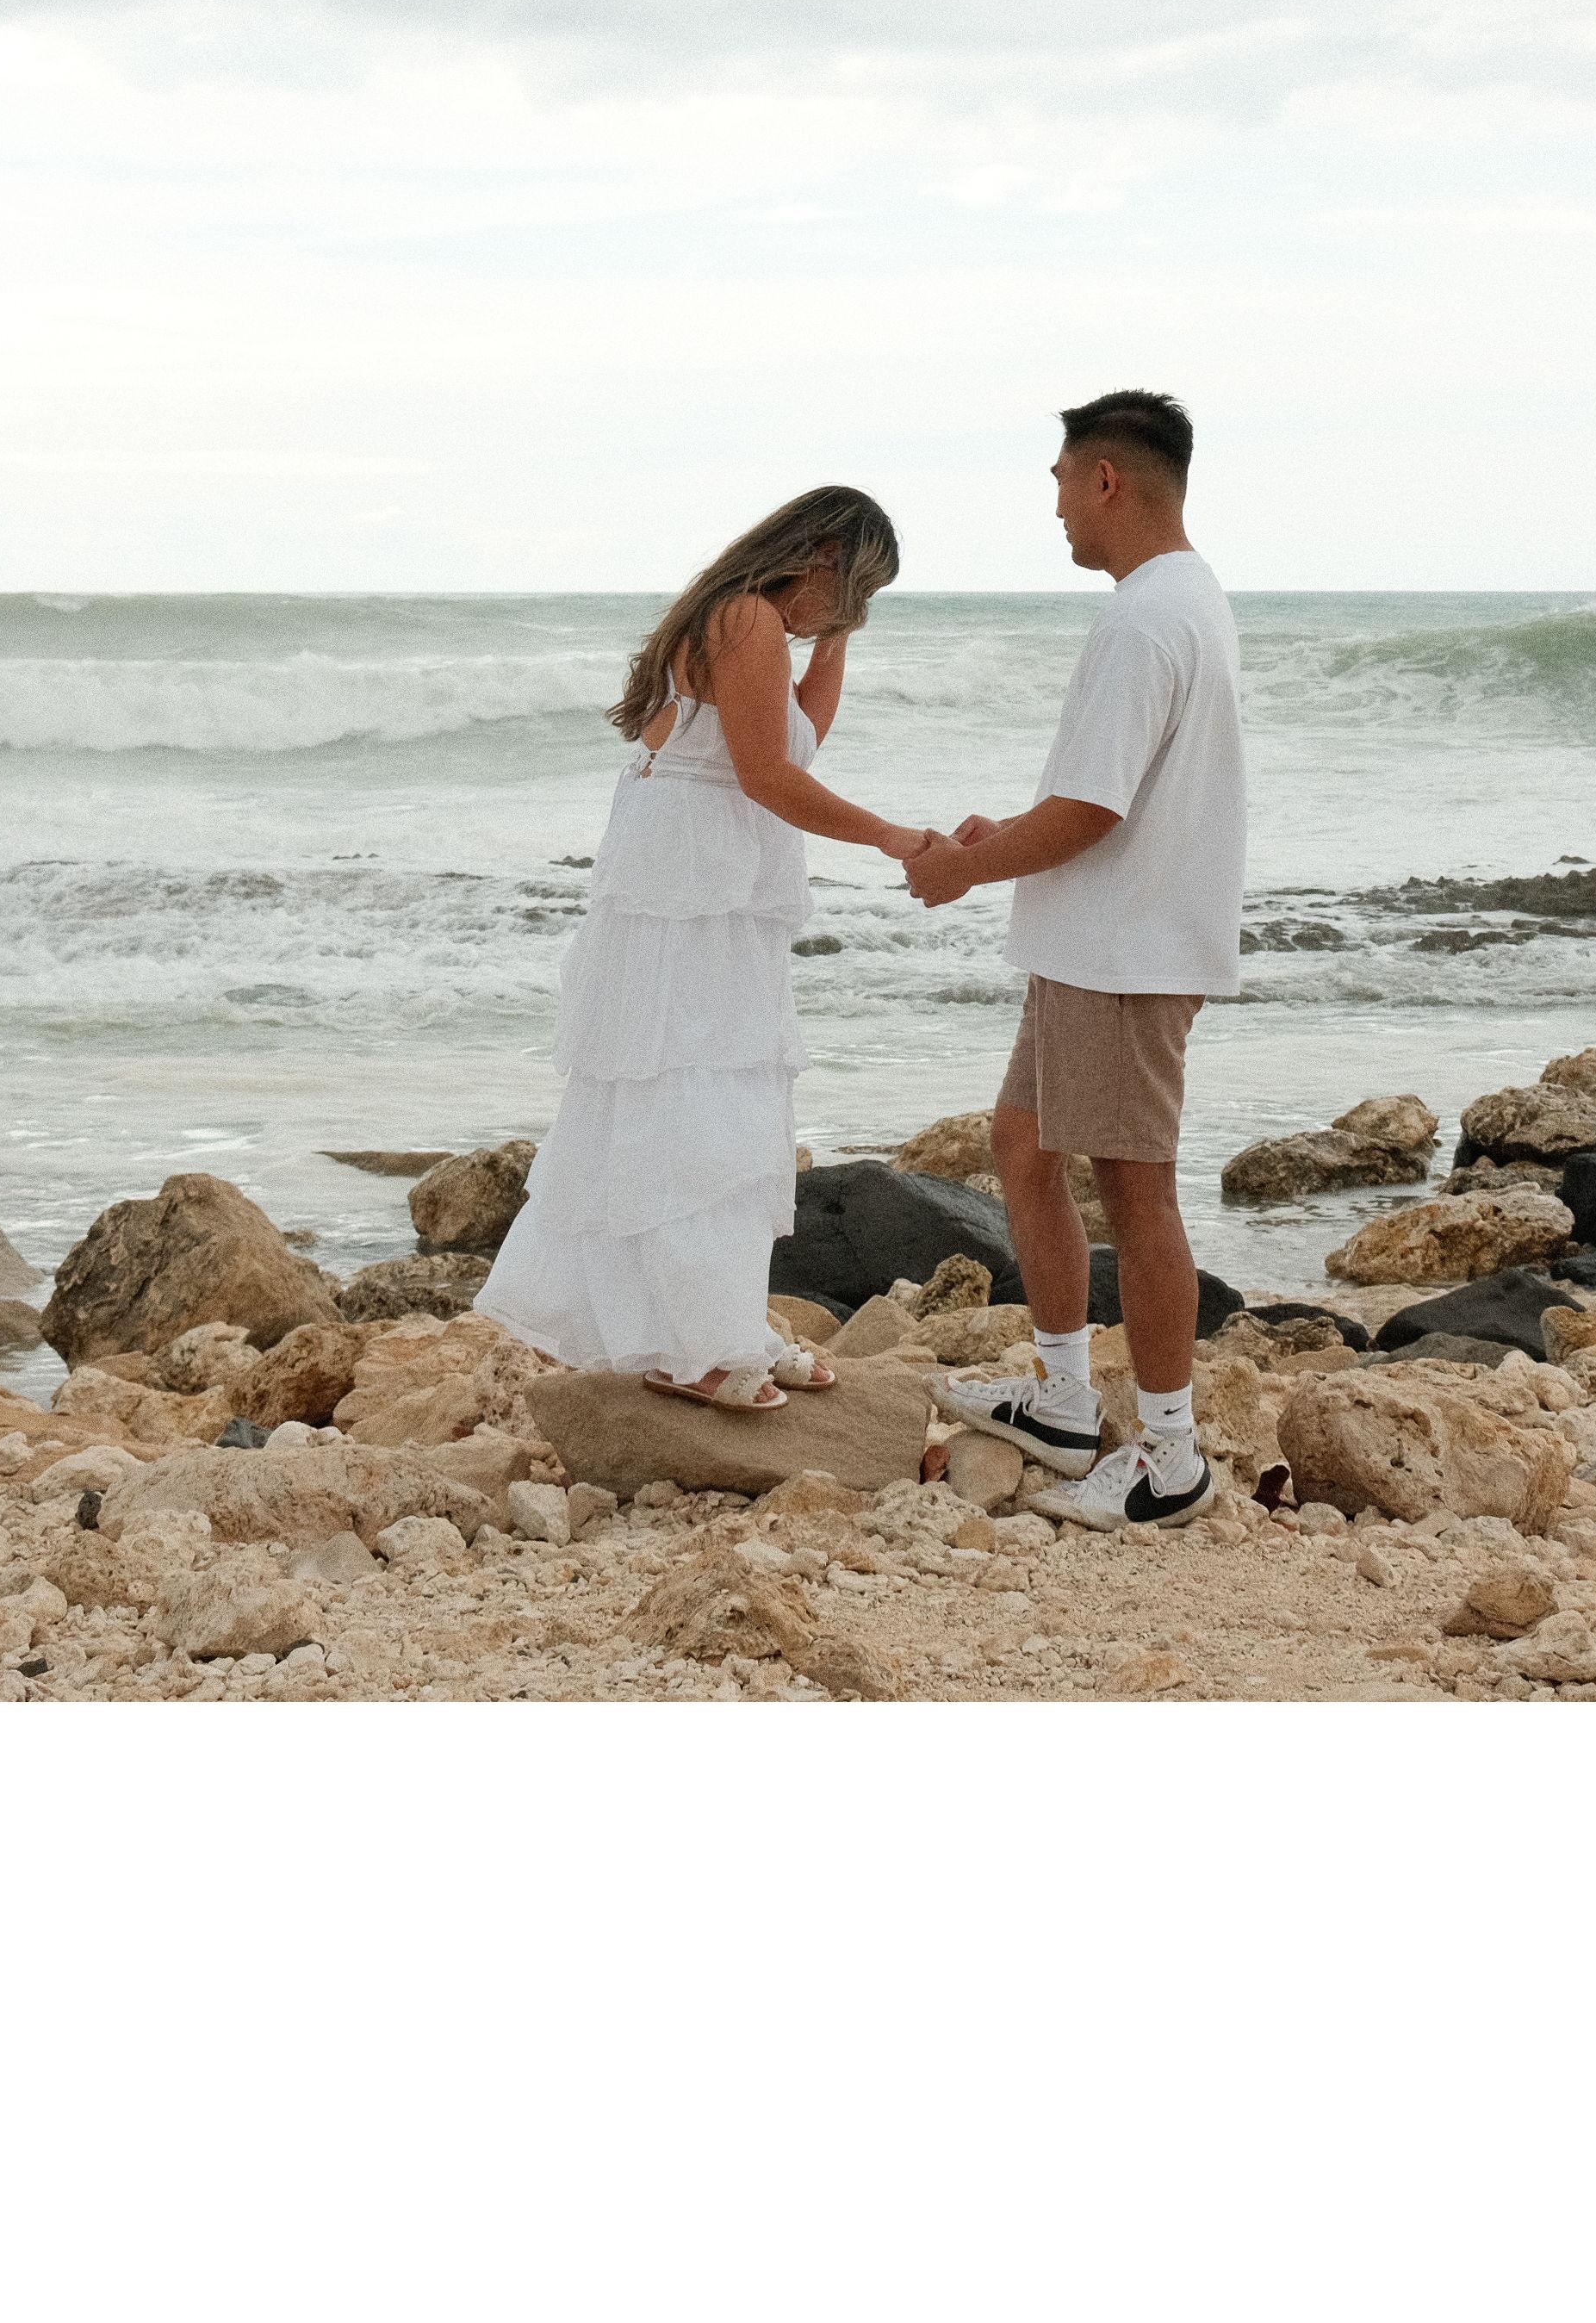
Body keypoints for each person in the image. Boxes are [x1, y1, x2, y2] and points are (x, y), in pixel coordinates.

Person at [480, 486, 929, 1410]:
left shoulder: (747, 620)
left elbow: (794, 736)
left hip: (703, 888)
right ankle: (695, 1344)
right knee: (690, 1111)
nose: (843, 614)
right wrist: (889, 836)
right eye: (850, 592)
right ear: (818, 560)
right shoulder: (743, 618)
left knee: (718, 1104)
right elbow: (769, 777)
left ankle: (716, 1321)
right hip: (688, 894)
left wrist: (838, 636)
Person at [907, 390, 1245, 1528]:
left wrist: (970, 865)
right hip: (1098, 941)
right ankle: (1057, 1397)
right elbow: (1101, 798)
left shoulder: (1146, 619)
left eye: (1059, 480)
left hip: (1123, 952)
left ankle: (1170, 1461)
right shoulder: (1180, 600)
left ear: (1105, 479)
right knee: (1022, 1141)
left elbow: (1092, 807)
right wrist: (1000, 840)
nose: (1052, 505)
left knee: (1136, 1196)